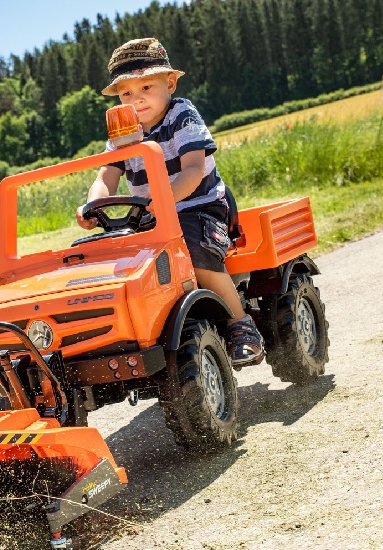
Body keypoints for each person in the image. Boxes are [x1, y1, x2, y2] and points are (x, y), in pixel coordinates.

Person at [76, 37, 264, 367]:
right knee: (112, 258)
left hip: (198, 205)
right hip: (151, 217)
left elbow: (192, 170)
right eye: (126, 93)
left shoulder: (182, 115)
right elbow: (105, 177)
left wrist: (163, 200)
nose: (136, 100)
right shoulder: (122, 130)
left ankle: (241, 325)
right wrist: (93, 205)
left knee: (195, 252)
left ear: (170, 83)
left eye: (146, 87)